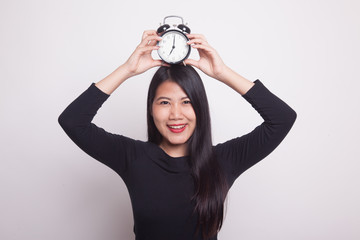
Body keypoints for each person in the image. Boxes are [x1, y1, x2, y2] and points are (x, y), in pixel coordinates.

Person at [58, 30, 297, 240]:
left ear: (200, 108)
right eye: (164, 102)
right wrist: (127, 69)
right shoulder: (133, 157)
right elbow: (72, 121)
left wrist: (221, 72)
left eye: (186, 102)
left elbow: (282, 118)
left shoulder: (223, 161)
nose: (175, 114)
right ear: (151, 108)